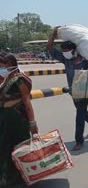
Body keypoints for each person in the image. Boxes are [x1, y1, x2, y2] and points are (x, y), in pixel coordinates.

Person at [48, 27, 88, 151]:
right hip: (73, 91)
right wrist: (53, 35)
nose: (65, 53)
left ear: (75, 50)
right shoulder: (66, 60)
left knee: (79, 114)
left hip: (85, 90)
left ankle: (79, 141)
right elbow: (50, 48)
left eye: (68, 50)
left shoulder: (86, 60)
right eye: (64, 51)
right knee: (81, 111)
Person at [0, 53, 38, 188]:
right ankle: (7, 177)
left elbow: (27, 102)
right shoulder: (6, 78)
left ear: (9, 65)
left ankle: (20, 178)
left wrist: (32, 123)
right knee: (5, 148)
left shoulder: (20, 79)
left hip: (17, 120)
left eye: (1, 65)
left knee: (19, 148)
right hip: (5, 119)